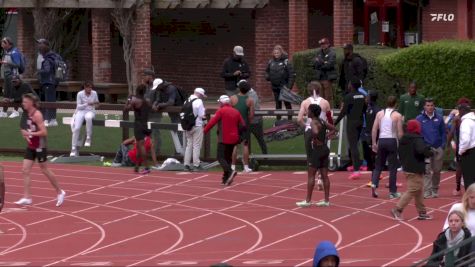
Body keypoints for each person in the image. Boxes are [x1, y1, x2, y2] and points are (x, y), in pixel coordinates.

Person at [15, 93, 65, 206]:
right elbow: (30, 128)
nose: (23, 104)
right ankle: (27, 197)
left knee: (44, 170)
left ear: (31, 103)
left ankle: (60, 192)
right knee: (25, 170)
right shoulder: (28, 113)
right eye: (23, 102)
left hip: (40, 146)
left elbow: (44, 132)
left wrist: (29, 133)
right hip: (31, 145)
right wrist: (26, 135)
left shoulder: (37, 114)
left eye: (25, 102)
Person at [391, 120, 433, 221]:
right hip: (416, 167)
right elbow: (421, 150)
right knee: (413, 189)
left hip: (407, 166)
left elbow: (400, 152)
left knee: (418, 190)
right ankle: (398, 209)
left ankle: (422, 212)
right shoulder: (417, 139)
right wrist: (429, 152)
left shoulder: (403, 139)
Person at [296, 104, 336, 207]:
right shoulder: (322, 120)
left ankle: (308, 201)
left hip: (316, 151)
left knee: (311, 175)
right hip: (324, 150)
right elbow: (334, 129)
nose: (306, 113)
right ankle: (326, 201)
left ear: (312, 113)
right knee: (324, 176)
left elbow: (315, 131)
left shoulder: (314, 122)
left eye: (308, 111)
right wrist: (326, 136)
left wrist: (315, 138)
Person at [204, 95, 245, 186]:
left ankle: (230, 172)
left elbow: (212, 122)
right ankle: (225, 178)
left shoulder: (221, 111)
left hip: (223, 138)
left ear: (222, 103)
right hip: (234, 138)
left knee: (220, 157)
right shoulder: (236, 111)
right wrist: (239, 135)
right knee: (227, 158)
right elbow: (243, 125)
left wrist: (204, 131)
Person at [298, 81, 332, 190]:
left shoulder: (305, 102)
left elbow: (299, 119)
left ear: (309, 90)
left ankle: (311, 180)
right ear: (319, 90)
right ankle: (320, 179)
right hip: (322, 131)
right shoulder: (325, 103)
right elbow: (330, 119)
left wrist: (306, 126)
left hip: (310, 131)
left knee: (311, 157)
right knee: (322, 156)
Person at [370, 96, 404, 199]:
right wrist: (402, 144)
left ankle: (374, 184)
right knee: (392, 167)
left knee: (378, 165)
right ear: (396, 104)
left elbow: (374, 129)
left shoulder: (379, 114)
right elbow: (399, 132)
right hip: (392, 140)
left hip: (382, 140)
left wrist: (374, 143)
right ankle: (392, 191)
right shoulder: (397, 115)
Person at [334, 79, 367, 180]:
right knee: (355, 144)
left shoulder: (348, 97)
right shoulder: (362, 96)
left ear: (351, 86)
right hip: (360, 122)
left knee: (353, 146)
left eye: (349, 83)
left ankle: (356, 170)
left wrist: (334, 123)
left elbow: (343, 112)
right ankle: (355, 164)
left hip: (352, 123)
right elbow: (365, 108)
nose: (348, 85)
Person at [416, 98, 446, 199]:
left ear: (434, 107)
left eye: (431, 105)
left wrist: (442, 145)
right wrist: (421, 147)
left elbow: (443, 133)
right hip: (426, 149)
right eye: (428, 105)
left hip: (438, 148)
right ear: (424, 107)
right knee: (426, 171)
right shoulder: (419, 119)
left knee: (437, 170)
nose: (429, 107)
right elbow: (417, 134)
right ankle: (427, 191)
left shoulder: (440, 118)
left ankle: (435, 189)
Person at [446, 98, 471, 196]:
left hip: (462, 145)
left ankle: (457, 188)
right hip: (469, 146)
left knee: (460, 167)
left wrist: (448, 145)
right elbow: (451, 132)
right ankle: (461, 188)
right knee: (466, 168)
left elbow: (451, 132)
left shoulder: (456, 118)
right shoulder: (461, 118)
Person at [152, 78, 184, 154]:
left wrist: (160, 105)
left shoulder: (171, 89)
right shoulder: (161, 90)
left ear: (161, 85)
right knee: (175, 131)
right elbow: (158, 99)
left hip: (179, 113)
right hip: (172, 114)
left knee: (179, 131)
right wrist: (154, 104)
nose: (157, 89)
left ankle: (181, 152)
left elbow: (171, 102)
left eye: (157, 87)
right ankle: (177, 151)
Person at [125, 85, 151, 175]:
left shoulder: (135, 100)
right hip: (145, 124)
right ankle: (136, 166)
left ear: (137, 91)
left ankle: (147, 167)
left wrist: (128, 100)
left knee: (141, 146)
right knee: (139, 146)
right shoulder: (147, 101)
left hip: (138, 125)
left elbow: (126, 109)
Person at [265, 45, 295, 121]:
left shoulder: (286, 61)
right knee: (278, 104)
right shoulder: (271, 61)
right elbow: (267, 71)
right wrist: (267, 77)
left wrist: (289, 87)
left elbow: (292, 75)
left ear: (281, 52)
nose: (276, 54)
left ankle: (290, 120)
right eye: (275, 53)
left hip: (284, 87)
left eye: (278, 52)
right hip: (275, 87)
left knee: (287, 104)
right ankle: (278, 120)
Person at [70, 81, 99, 157]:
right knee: (76, 128)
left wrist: (96, 104)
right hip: (81, 111)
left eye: (91, 87)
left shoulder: (94, 93)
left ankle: (88, 138)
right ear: (85, 88)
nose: (90, 89)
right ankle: (73, 147)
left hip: (90, 111)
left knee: (88, 117)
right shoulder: (80, 94)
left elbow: (97, 104)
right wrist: (87, 104)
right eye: (88, 87)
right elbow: (78, 106)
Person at [231, 80, 254, 173]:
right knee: (245, 145)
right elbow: (251, 115)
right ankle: (246, 166)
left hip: (234, 124)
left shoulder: (232, 98)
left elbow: (229, 111)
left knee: (234, 145)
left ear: (239, 88)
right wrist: (248, 121)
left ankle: (232, 166)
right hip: (244, 124)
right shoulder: (250, 100)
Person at [37, 38, 60, 127]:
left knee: (48, 101)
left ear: (46, 46)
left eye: (41, 44)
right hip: (53, 81)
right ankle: (53, 119)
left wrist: (39, 71)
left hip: (48, 82)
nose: (39, 47)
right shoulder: (55, 56)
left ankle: (47, 119)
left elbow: (46, 70)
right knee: (51, 100)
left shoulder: (47, 58)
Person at [183, 88, 207, 172]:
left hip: (187, 126)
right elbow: (201, 115)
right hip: (197, 125)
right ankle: (196, 164)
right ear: (200, 94)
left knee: (189, 145)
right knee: (196, 145)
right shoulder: (199, 101)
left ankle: (186, 164)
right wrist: (206, 122)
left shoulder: (186, 100)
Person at [0, 37, 22, 118]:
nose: (2, 44)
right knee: (6, 94)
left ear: (8, 44)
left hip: (14, 76)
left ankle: (16, 111)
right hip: (7, 76)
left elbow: (17, 64)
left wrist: (6, 62)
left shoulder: (15, 52)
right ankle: (4, 111)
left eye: (3, 42)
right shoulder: (6, 52)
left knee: (14, 94)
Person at [143, 68, 162, 156]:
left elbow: (158, 99)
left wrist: (154, 104)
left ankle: (157, 152)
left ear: (150, 77)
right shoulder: (146, 87)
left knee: (156, 133)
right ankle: (149, 151)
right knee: (147, 133)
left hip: (155, 115)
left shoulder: (157, 86)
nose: (144, 78)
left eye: (145, 76)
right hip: (147, 114)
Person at [314, 38, 337, 107]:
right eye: (321, 44)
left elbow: (329, 65)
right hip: (320, 77)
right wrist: (323, 62)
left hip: (327, 77)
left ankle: (329, 112)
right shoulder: (319, 52)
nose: (322, 46)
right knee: (320, 97)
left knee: (328, 97)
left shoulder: (331, 53)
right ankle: (321, 111)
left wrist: (320, 62)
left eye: (324, 44)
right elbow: (315, 64)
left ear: (328, 44)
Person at [362, 91, 381, 177]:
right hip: (367, 134)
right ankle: (374, 172)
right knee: (368, 155)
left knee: (374, 155)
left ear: (371, 98)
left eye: (368, 97)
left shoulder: (377, 110)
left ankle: (375, 174)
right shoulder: (368, 108)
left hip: (374, 135)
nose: (366, 98)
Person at [246, 81, 267, 154]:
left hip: (255, 121)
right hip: (248, 121)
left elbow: (252, 107)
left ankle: (265, 157)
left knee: (260, 139)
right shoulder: (246, 94)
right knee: (246, 141)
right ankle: (246, 159)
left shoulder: (252, 94)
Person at [458, 101, 475, 189]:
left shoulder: (466, 122)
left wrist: (460, 151)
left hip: (469, 153)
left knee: (469, 180)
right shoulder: (473, 120)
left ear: (463, 110)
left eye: (459, 110)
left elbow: (465, 140)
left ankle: (470, 201)